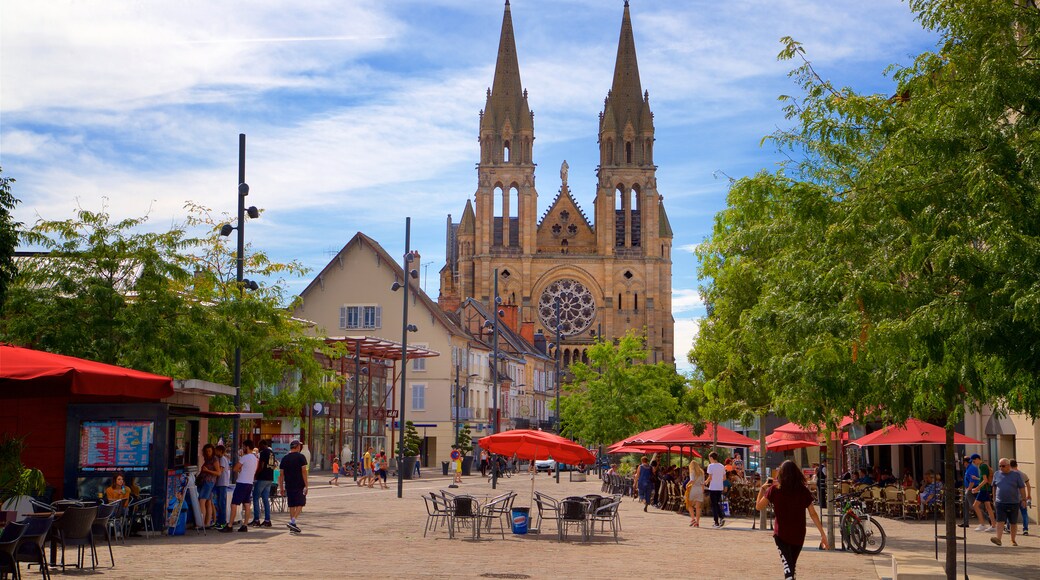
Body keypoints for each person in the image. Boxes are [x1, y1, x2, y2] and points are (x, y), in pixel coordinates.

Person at [756, 460, 830, 580]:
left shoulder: (774, 490)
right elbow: (813, 514)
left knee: (789, 569)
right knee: (791, 567)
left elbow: (758, 506)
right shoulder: (803, 491)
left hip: (781, 535)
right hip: (799, 535)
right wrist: (822, 534)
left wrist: (762, 489)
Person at [222, 439, 258, 533]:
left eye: (243, 447)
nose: (242, 449)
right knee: (247, 504)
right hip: (249, 483)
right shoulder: (255, 458)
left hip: (242, 482)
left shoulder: (244, 458)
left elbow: (235, 468)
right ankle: (245, 525)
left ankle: (229, 525)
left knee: (234, 504)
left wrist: (240, 470)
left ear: (247, 447)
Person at [990, 458, 1026, 547]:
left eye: (1003, 466)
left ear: (1009, 466)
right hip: (1000, 502)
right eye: (1000, 466)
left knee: (1013, 522)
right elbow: (994, 486)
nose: (1001, 468)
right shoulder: (996, 474)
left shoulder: (1016, 475)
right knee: (1000, 521)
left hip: (1013, 502)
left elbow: (1022, 487)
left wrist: (1024, 499)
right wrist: (994, 499)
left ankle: (1013, 540)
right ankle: (998, 539)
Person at [279, 439, 309, 534]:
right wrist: (306, 484)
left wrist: (281, 487)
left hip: (289, 484)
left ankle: (293, 524)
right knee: (301, 503)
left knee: (291, 504)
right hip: (299, 484)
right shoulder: (301, 457)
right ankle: (292, 521)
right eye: (299, 446)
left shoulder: (285, 458)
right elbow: (304, 471)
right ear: (297, 447)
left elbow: (281, 474)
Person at [250, 439, 275, 527]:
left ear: (263, 445)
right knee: (265, 499)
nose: (259, 448)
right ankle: (267, 520)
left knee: (255, 497)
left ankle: (256, 519)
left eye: (260, 445)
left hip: (262, 477)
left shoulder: (264, 452)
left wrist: (256, 474)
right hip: (270, 478)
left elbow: (261, 465)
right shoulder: (272, 453)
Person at [970, 454, 996, 532]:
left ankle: (982, 524)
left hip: (984, 489)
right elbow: (984, 479)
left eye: (974, 461)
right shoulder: (984, 465)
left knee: (975, 505)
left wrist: (977, 488)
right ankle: (993, 525)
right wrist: (977, 478)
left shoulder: (982, 466)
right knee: (988, 508)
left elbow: (985, 480)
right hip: (987, 489)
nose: (974, 463)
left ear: (977, 459)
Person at [197, 444, 220, 528]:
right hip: (205, 481)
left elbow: (218, 472)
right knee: (208, 502)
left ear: (213, 451)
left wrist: (208, 470)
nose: (208, 453)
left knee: (202, 501)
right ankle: (207, 523)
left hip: (209, 481)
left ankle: (201, 523)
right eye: (206, 451)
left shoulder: (214, 459)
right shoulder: (207, 459)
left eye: (210, 451)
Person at [704, 452, 727, 528]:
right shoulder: (722, 466)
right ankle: (721, 517)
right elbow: (724, 478)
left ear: (711, 458)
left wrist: (705, 482)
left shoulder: (710, 466)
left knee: (714, 505)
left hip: (713, 487)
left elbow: (710, 477)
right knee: (716, 503)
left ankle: (716, 521)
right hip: (719, 487)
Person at [1009, 460, 1031, 536]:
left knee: (1010, 513)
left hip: (1013, 498)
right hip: (1022, 497)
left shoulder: (1009, 475)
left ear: (1009, 465)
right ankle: (1025, 529)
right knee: (1024, 513)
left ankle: (1008, 528)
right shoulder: (1023, 474)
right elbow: (1028, 485)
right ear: (1017, 465)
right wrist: (1029, 495)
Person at [214, 444, 231, 529]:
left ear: (220, 451)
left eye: (216, 450)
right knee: (219, 503)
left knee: (222, 503)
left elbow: (220, 471)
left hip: (222, 483)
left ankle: (222, 522)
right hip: (219, 483)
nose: (215, 452)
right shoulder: (220, 459)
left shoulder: (223, 459)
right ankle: (219, 521)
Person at [961, 455, 979, 528]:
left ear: (965, 462)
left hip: (971, 489)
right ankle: (966, 522)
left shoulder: (971, 468)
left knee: (973, 506)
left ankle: (988, 518)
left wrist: (968, 490)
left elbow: (972, 481)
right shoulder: (969, 468)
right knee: (966, 506)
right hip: (969, 488)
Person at [686, 461, 705, 527]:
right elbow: (703, 483)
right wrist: (702, 491)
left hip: (693, 489)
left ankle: (693, 519)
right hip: (699, 489)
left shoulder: (692, 471)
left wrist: (687, 484)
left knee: (689, 505)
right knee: (698, 507)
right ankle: (697, 522)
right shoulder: (701, 472)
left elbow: (692, 480)